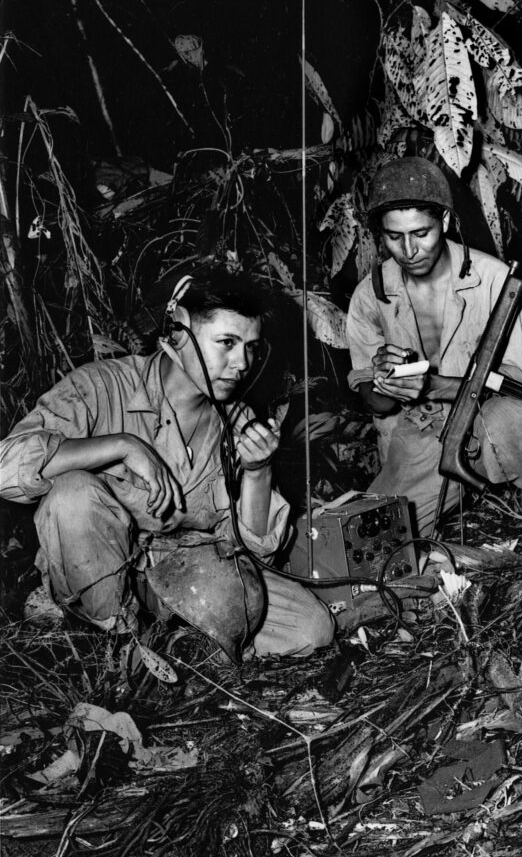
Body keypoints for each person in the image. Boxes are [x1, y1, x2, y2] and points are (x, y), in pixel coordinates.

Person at [0, 265, 334, 660]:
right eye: (226, 342)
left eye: (250, 347)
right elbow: (7, 466)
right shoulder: (101, 387)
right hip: (105, 572)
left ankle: (179, 647)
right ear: (179, 331)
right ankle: (116, 646)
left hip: (193, 574)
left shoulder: (238, 422)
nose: (241, 363)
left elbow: (254, 552)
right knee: (72, 492)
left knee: (311, 628)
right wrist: (123, 445)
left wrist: (258, 471)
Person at [346, 156, 522, 537]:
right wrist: (382, 383)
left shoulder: (493, 280)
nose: (409, 250)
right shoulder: (369, 296)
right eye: (394, 237)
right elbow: (374, 403)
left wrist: (435, 385)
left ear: (443, 221)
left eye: (421, 233)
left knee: (509, 420)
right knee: (369, 537)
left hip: (488, 422)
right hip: (419, 434)